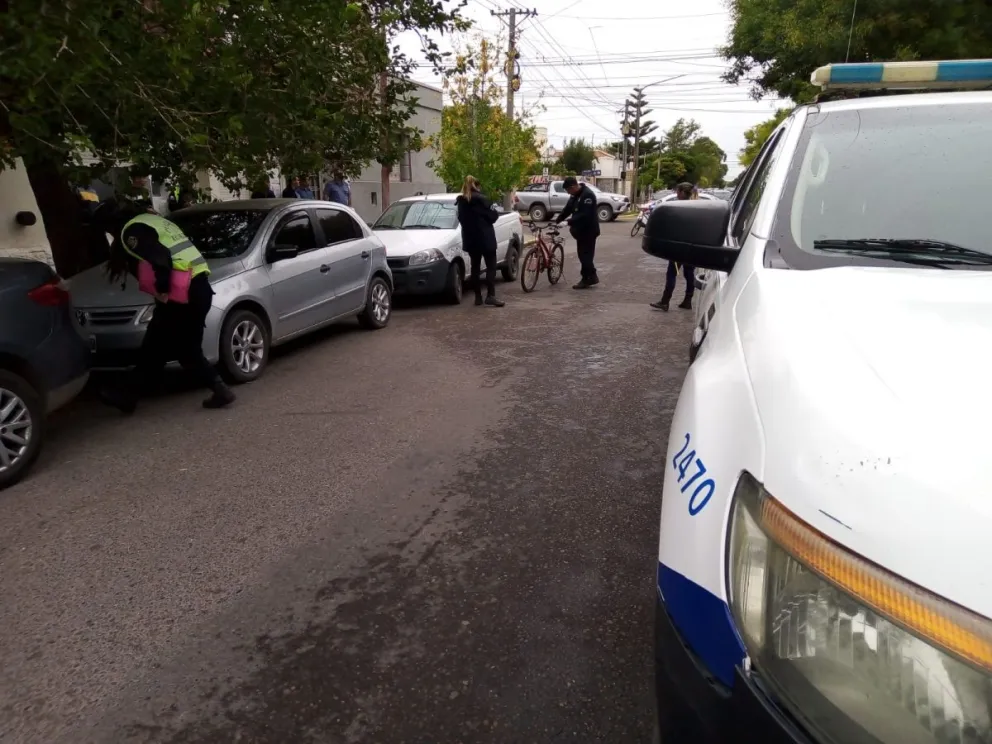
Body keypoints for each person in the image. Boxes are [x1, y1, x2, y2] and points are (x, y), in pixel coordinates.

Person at [95, 199, 236, 412]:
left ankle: (129, 396)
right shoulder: (155, 221)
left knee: (160, 347)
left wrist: (161, 289)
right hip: (199, 288)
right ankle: (219, 390)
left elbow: (160, 259)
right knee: (169, 347)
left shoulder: (133, 230)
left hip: (180, 294)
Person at [455, 175, 505, 307]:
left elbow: (460, 219)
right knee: (491, 267)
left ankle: (478, 297)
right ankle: (490, 296)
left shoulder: (461, 202)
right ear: (477, 186)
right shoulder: (483, 199)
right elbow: (494, 216)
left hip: (471, 239)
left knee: (475, 268)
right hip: (486, 237)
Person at [650, 182, 696, 311]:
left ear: (681, 192)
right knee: (689, 273)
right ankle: (688, 300)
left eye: (677, 191)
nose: (676, 194)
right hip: (692, 248)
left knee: (672, 273)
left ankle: (665, 301)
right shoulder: (695, 207)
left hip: (678, 248)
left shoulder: (677, 207)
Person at [555, 176, 600, 289]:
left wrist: (568, 222)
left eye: (568, 190)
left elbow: (585, 215)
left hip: (589, 231)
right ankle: (592, 276)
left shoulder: (587, 195)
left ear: (573, 187)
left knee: (585, 256)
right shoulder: (575, 195)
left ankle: (586, 279)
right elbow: (568, 208)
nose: (568, 192)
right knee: (583, 256)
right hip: (580, 231)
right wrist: (558, 219)